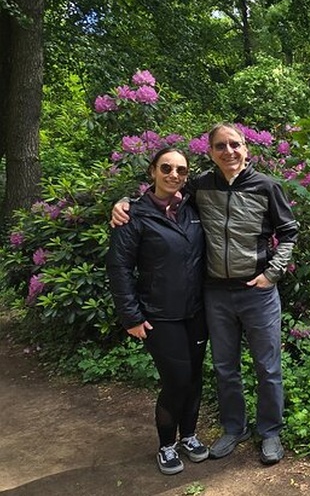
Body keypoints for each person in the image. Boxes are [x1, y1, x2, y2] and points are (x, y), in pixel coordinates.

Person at [112, 123, 299, 465]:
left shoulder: (267, 186)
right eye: (220, 146)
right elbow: (159, 197)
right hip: (215, 293)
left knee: (267, 367)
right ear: (211, 152)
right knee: (225, 367)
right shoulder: (200, 186)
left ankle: (270, 432)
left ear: (246, 149)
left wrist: (271, 274)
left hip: (257, 293)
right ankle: (234, 427)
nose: (229, 151)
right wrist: (124, 202)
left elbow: (288, 232)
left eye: (235, 144)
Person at [106, 147, 209, 475]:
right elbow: (119, 268)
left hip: (196, 312)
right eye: (166, 168)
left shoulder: (193, 206)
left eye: (181, 170)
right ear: (152, 171)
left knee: (194, 379)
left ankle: (189, 436)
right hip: (159, 315)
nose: (173, 175)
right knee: (176, 380)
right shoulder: (133, 214)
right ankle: (167, 444)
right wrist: (131, 316)